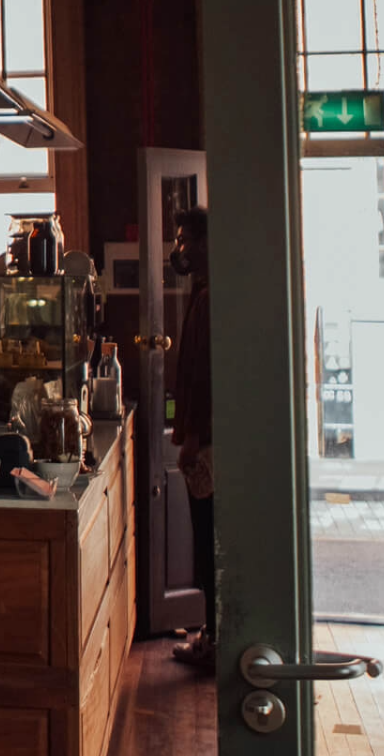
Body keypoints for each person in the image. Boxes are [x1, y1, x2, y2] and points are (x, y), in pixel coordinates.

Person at [170, 206, 215, 667]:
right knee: (206, 536)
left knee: (208, 537)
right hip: (203, 435)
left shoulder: (208, 298)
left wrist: (192, 437)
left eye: (185, 239)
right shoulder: (202, 292)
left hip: (207, 442)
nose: (179, 249)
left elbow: (203, 375)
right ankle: (212, 634)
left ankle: (213, 640)